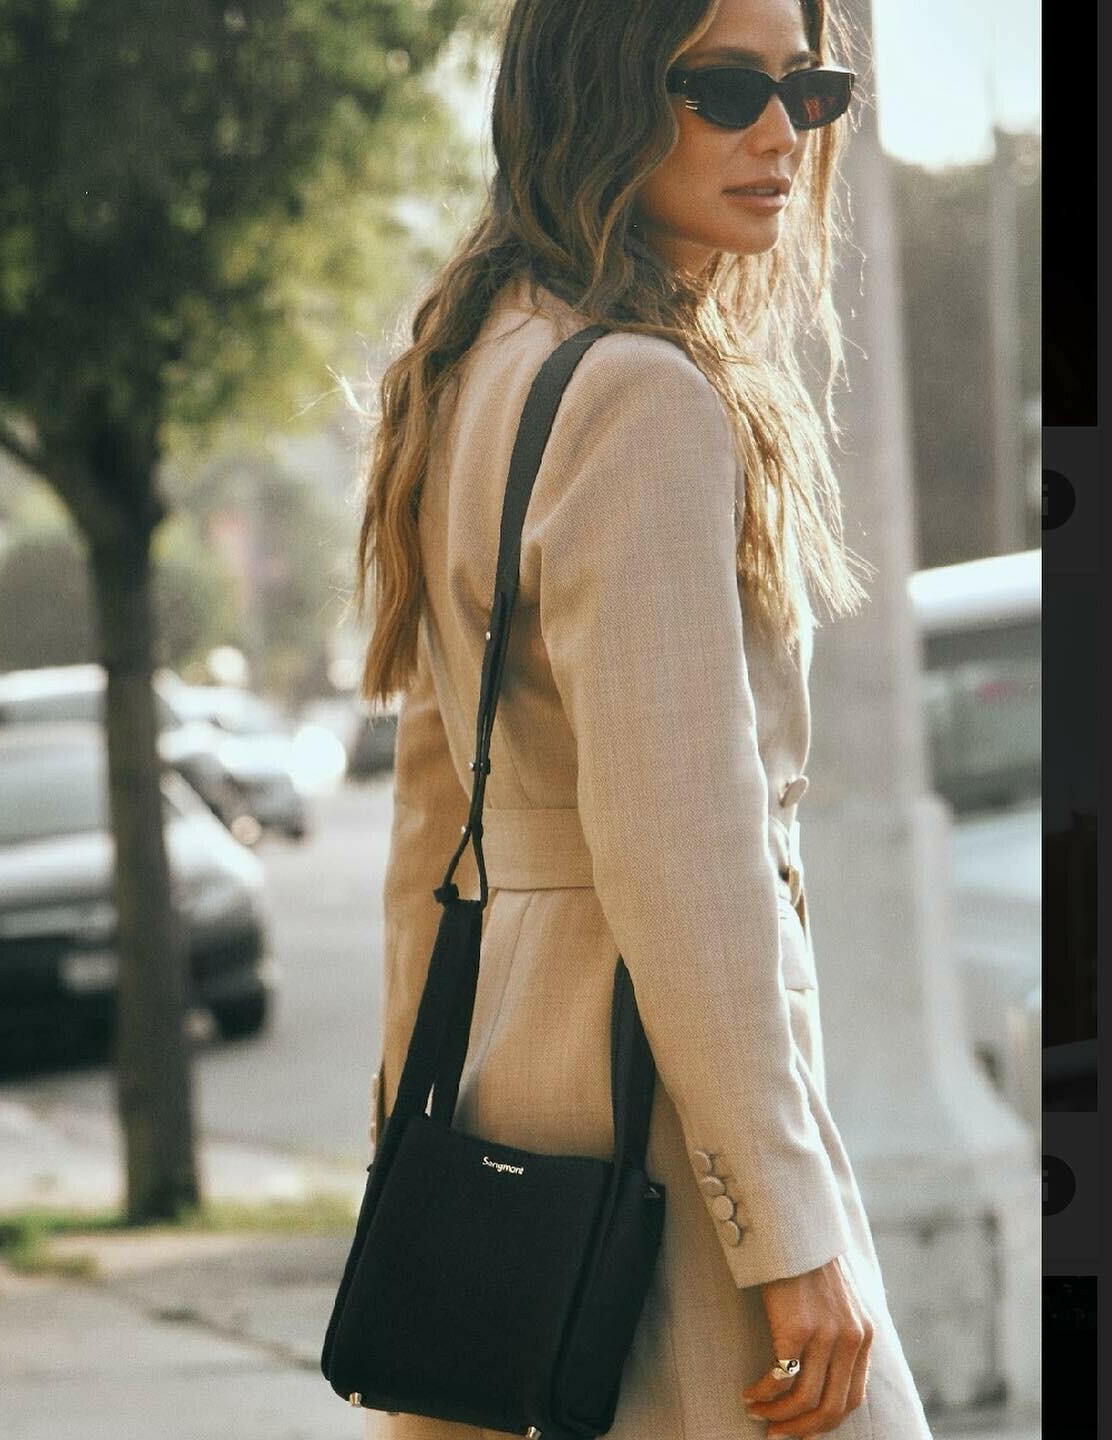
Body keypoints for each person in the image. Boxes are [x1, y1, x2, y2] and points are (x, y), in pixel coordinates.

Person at [349, 0, 936, 1436]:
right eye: (723, 87)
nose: (780, 133)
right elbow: (685, 849)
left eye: (808, 88)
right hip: (653, 1106)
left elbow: (438, 814)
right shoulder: (641, 395)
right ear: (597, 93)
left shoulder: (473, 359)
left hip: (508, 1093)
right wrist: (786, 1228)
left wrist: (408, 1121)